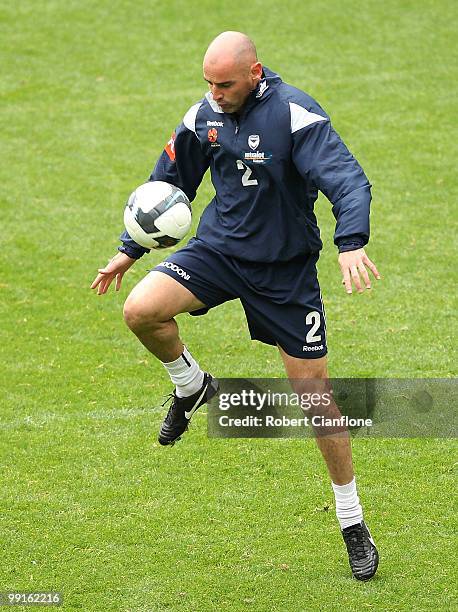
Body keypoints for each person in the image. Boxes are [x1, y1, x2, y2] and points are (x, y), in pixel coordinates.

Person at [91, 31, 381, 580]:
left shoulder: (296, 115)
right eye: (209, 83)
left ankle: (352, 521)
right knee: (141, 311)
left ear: (255, 72)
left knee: (316, 400)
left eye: (224, 84)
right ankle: (193, 385)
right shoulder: (204, 114)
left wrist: (352, 242)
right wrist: (129, 251)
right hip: (219, 251)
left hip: (284, 273)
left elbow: (347, 179)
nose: (215, 93)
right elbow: (168, 182)